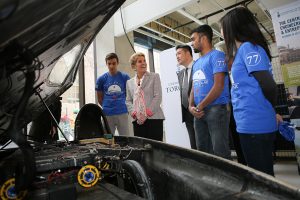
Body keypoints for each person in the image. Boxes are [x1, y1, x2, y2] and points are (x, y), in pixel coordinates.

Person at [220, 7, 278, 175]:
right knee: (263, 176)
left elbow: (269, 85)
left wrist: (269, 109)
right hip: (251, 123)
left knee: (261, 179)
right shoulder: (244, 50)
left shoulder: (247, 48)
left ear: (233, 27)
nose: (222, 32)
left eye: (223, 27)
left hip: (254, 123)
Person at [189, 25, 231, 159]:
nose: (191, 42)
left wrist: (200, 105)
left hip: (216, 109)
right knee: (203, 151)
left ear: (203, 38)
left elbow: (218, 86)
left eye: (193, 39)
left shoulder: (217, 56)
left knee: (220, 152)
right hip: (198, 112)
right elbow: (193, 87)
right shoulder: (196, 63)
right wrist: (191, 106)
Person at [126, 52, 165, 141]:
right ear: (134, 66)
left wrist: (146, 113)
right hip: (137, 121)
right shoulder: (129, 82)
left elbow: (158, 97)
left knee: (156, 149)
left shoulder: (154, 76)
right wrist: (134, 113)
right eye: (140, 61)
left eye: (144, 61)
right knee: (141, 149)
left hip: (154, 118)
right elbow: (128, 100)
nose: (143, 63)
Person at [95, 53, 130, 136]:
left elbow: (130, 95)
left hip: (122, 112)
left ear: (117, 63)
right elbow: (99, 98)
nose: (111, 66)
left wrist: (126, 108)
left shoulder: (125, 77)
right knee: (108, 140)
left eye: (114, 63)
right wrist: (107, 107)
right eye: (109, 64)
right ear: (106, 64)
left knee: (125, 139)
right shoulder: (101, 79)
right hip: (107, 114)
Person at [175, 45, 197, 149]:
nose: (177, 56)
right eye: (176, 54)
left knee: (204, 145)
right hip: (186, 112)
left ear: (188, 53)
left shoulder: (199, 66)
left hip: (199, 110)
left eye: (179, 53)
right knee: (193, 145)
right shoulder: (180, 73)